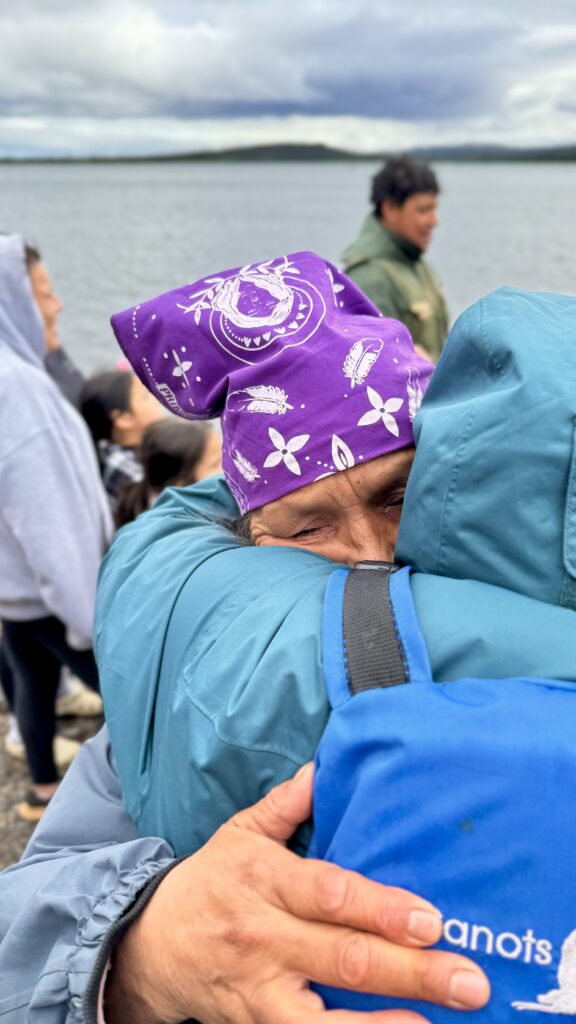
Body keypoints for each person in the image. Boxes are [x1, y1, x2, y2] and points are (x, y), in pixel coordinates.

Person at [0, 252, 489, 1022]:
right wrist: (141, 952)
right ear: (252, 535)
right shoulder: (198, 681)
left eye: (398, 494)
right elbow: (25, 911)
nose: (369, 551)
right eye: (310, 527)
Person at [0, 234, 112, 820]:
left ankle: (41, 790)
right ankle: (150, 785)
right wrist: (92, 621)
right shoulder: (17, 389)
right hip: (53, 595)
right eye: (44, 293)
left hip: (14, 591)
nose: (58, 305)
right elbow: (46, 518)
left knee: (31, 685)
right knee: (127, 691)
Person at [342, 155, 449, 361]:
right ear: (390, 208)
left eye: (434, 208)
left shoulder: (418, 264)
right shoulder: (367, 278)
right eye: (423, 210)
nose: (434, 221)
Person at [80, 368, 164, 515]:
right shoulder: (125, 470)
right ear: (124, 419)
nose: (155, 397)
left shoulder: (115, 451)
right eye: (146, 396)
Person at [115, 417, 221, 527]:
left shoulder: (141, 498)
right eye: (216, 463)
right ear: (179, 483)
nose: (228, 466)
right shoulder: (187, 527)